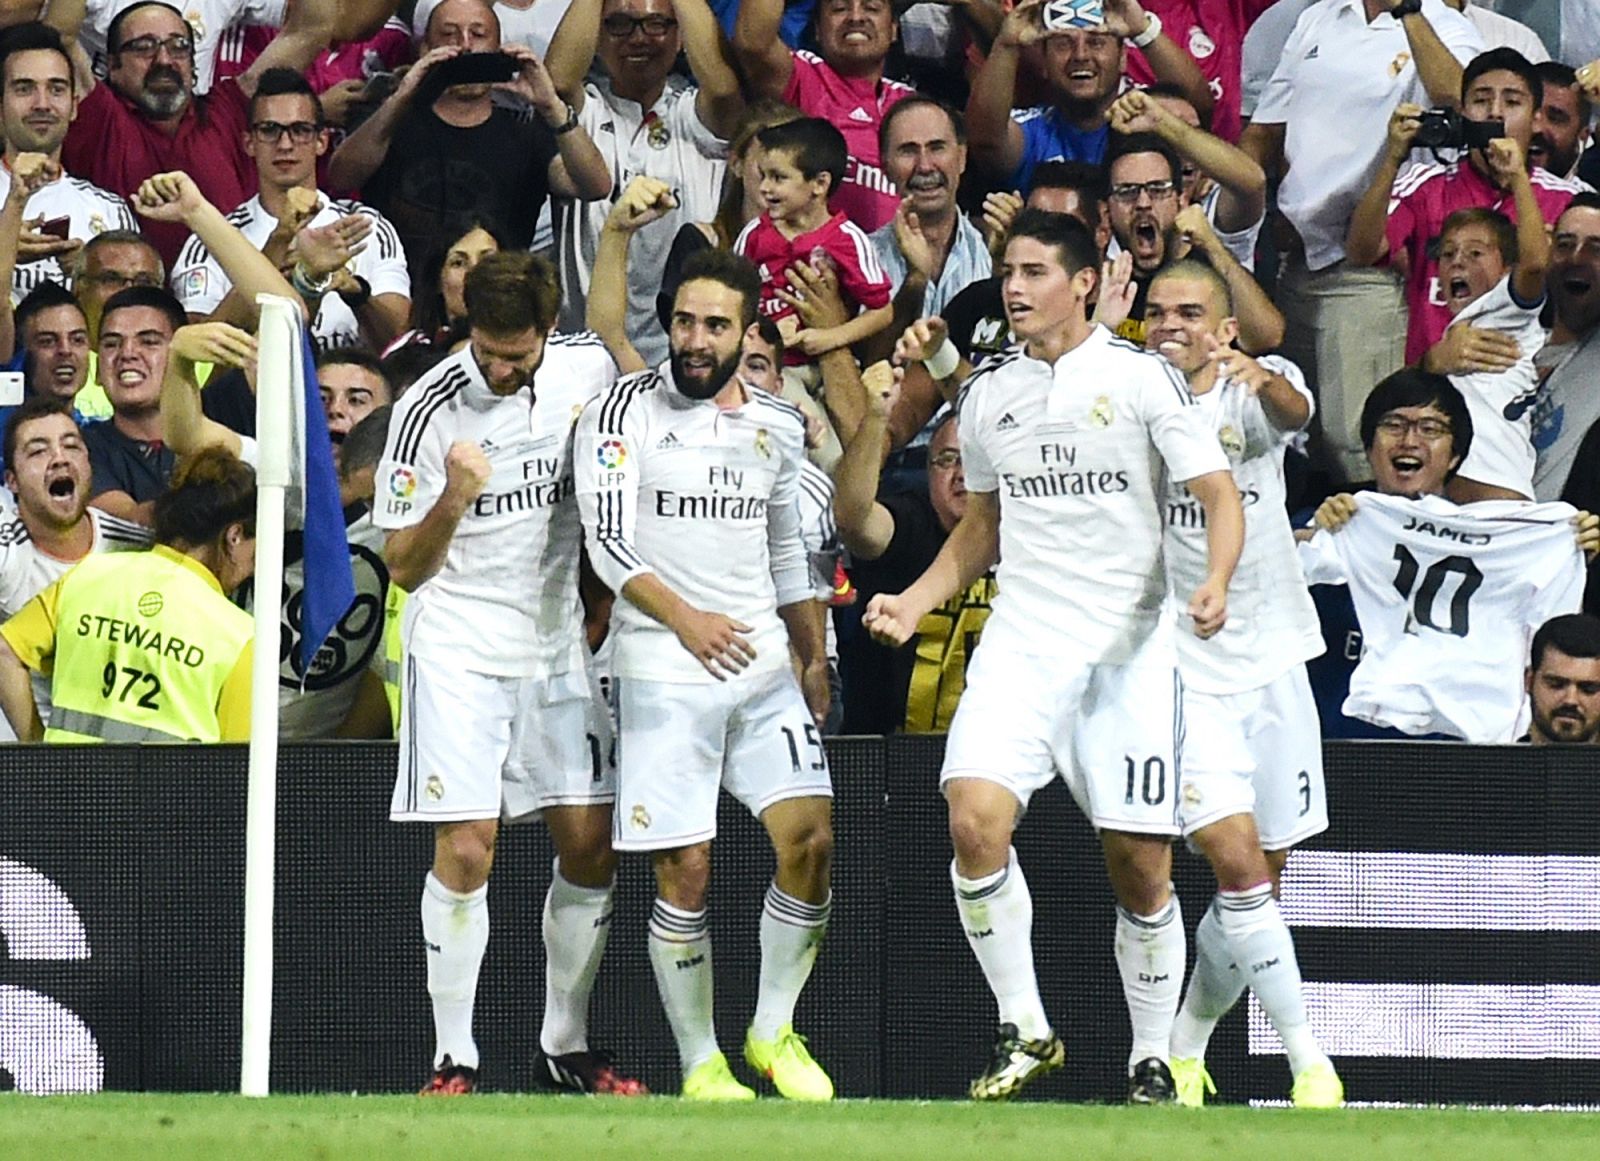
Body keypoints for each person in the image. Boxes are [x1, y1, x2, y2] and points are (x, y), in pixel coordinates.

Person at [864, 210, 1243, 1102]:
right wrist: (916, 597)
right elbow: (986, 524)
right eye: (1008, 271)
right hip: (1023, 644)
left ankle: (1155, 1054)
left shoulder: (1145, 379)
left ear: (1084, 284)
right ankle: (1026, 1027)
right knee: (972, 819)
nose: (1016, 286)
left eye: (1035, 270)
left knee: (1142, 863)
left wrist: (1216, 578)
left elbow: (1216, 492)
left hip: (1128, 650)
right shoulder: (992, 392)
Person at [373, 251, 642, 1097]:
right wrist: (452, 498)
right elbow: (404, 568)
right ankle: (454, 1056)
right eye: (486, 350)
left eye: (515, 354)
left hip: (557, 642)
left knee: (591, 845)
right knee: (467, 844)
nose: (499, 367)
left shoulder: (583, 371)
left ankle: (564, 1045)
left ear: (546, 332)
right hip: (457, 642)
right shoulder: (425, 411)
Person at [575, 248, 836, 1101]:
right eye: (683, 320)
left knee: (810, 843)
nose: (694, 339)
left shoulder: (779, 425)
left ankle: (770, 1028)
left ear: (747, 330)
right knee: (685, 866)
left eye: (715, 324)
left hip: (760, 664)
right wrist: (686, 620)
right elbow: (609, 546)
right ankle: (700, 1061)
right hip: (660, 665)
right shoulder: (620, 411)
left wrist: (813, 651)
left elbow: (787, 546)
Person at [1141, 259, 1341, 1108]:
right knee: (1236, 865)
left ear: (1224, 327)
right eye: (1155, 311)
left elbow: (1298, 413)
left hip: (1274, 654)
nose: (1170, 325)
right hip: (1181, 665)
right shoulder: (1131, 399)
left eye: (1189, 311)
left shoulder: (1256, 387)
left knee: (1263, 879)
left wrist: (1263, 379)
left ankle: (1184, 1049)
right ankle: (1311, 1065)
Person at [1242, 0, 1482, 482]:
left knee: (1360, 444)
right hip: (1296, 262)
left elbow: (1460, 98)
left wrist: (1410, 12)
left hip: (1369, 270)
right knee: (1295, 439)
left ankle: (1376, 551)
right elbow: (1266, 130)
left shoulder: (1446, 24)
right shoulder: (1317, 18)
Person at [1299, 370, 1592, 743]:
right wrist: (1309, 536)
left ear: (1455, 455)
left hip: (1464, 751)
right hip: (1341, 745)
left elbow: (1554, 644)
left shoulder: (1513, 539)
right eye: (1394, 425)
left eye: (1430, 429)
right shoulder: (1337, 520)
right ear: (1369, 445)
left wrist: (1574, 555)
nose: (1410, 441)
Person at [328, 0, 610, 285]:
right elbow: (341, 177)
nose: (465, 45)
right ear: (426, 50)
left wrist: (551, 106)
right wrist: (403, 97)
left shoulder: (527, 133)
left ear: (499, 51)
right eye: (449, 35)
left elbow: (595, 186)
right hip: (397, 296)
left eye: (478, 34)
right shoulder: (387, 122)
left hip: (496, 303)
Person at [59, 0, 348, 267]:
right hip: (130, 308)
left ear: (193, 63)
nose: (164, 60)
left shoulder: (229, 110)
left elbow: (312, 29)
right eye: (144, 47)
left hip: (235, 302)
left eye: (179, 46)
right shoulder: (98, 118)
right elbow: (62, 35)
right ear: (112, 65)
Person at [0, 444, 256, 742]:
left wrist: (36, 747)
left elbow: (6, 651)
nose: (252, 567)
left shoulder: (89, 575)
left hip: (65, 784)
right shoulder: (239, 637)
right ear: (234, 536)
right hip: (172, 790)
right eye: (255, 549)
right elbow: (238, 763)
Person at [1345, 48, 1580, 369]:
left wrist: (1516, 179)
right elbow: (1361, 251)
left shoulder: (1570, 201)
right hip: (1436, 381)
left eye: (1512, 102)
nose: (1495, 113)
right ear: (1463, 111)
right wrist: (1392, 159)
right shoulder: (1426, 184)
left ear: (1536, 116)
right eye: (1481, 100)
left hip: (1527, 385)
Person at [87, 168, 297, 523]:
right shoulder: (85, 444)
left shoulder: (220, 406)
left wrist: (197, 212)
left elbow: (285, 318)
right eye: (111, 343)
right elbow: (132, 522)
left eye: (150, 341)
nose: (127, 354)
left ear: (183, 345)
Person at [545, 0, 740, 366]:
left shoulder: (692, 112)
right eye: (619, 25)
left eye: (656, 24)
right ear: (597, 39)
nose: (639, 39)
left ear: (679, 36)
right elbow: (556, 79)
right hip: (584, 349)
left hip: (686, 350)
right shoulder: (587, 107)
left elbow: (725, 87)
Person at [171, 68, 411, 353]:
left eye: (300, 130)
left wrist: (354, 291)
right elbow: (201, 358)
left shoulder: (367, 227)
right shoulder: (213, 238)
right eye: (270, 130)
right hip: (254, 394)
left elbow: (397, 344)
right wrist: (276, 248)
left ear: (321, 141)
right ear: (249, 143)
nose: (285, 145)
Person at [0, 397, 150, 741]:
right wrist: (38, 753)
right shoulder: (7, 551)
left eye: (72, 446)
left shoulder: (136, 551)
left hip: (104, 742)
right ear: (13, 481)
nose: (59, 458)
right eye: (38, 451)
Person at [965, 0, 1214, 193]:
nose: (1080, 55)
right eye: (1063, 44)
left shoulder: (1147, 122)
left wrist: (1143, 30)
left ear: (1123, 58)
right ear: (1043, 62)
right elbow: (985, 143)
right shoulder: (1032, 131)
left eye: (1096, 43)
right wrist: (1007, 44)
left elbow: (1198, 106)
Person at [733, 0, 915, 231]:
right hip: (810, 259)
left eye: (872, 8)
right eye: (839, 8)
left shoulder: (911, 106)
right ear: (817, 29)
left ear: (893, 29)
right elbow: (753, 43)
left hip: (895, 260)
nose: (856, 17)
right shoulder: (804, 78)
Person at [733, 118, 893, 370]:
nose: (764, 188)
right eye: (763, 176)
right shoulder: (753, 234)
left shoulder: (849, 240)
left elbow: (882, 311)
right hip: (766, 365)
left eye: (778, 177)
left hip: (828, 366)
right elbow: (732, 297)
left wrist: (830, 338)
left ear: (819, 184)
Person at [0, 22, 137, 302]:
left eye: (56, 89)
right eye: (25, 88)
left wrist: (93, 274)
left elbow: (136, 313)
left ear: (74, 106)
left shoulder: (110, 210)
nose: (42, 104)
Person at [1427, 205, 1548, 502]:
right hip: (1449, 489)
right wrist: (1431, 362)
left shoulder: (1511, 311)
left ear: (1507, 269)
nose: (1457, 262)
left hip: (1497, 488)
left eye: (1475, 253)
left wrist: (1518, 174)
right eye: (1448, 253)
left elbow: (1534, 265)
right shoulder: (1452, 337)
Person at [1531, 195, 1600, 501]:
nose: (1577, 258)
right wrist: (1436, 360)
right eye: (1564, 244)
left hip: (1569, 540)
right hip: (1489, 535)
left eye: (1596, 249)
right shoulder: (1505, 344)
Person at [1524, 613, 1600, 745]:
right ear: (1529, 681)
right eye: (1556, 684)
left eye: (1588, 689)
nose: (1570, 700)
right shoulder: (1489, 764)